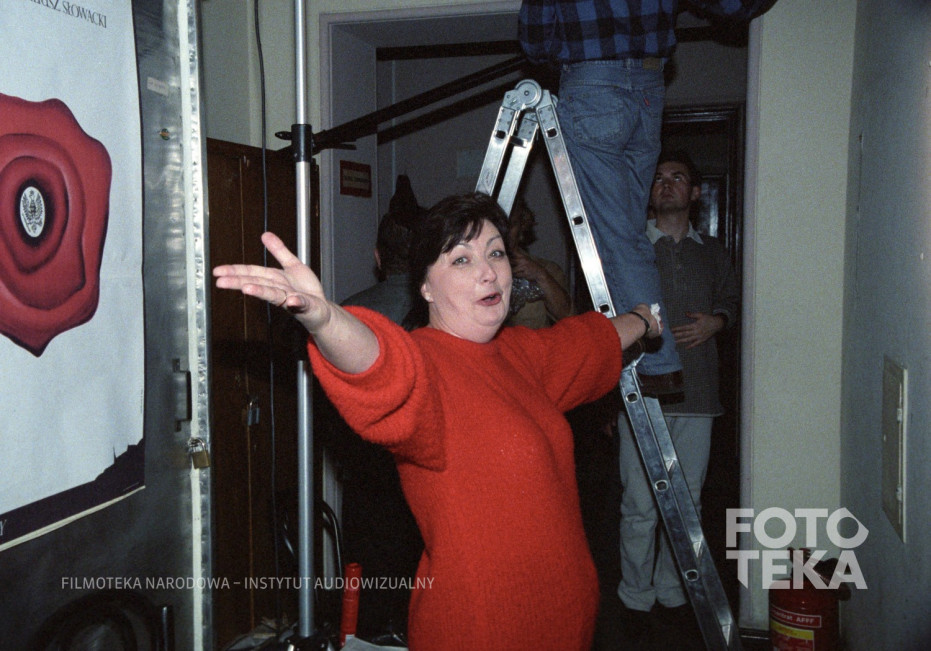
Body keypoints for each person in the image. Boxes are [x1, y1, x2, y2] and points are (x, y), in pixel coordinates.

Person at [213, 192, 662, 651]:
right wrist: (325, 319)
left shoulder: (519, 353)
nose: (488, 272)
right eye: (461, 259)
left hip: (568, 622)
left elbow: (587, 343)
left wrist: (643, 319)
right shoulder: (428, 365)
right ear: (425, 286)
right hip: (482, 631)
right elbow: (382, 368)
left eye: (496, 253)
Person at [518, 0, 775, 393]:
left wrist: (574, 56)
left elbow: (536, 42)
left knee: (618, 237)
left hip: (593, 84)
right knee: (629, 234)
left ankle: (658, 360)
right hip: (650, 87)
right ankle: (651, 350)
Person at [616, 150, 739, 635]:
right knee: (639, 504)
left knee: (687, 501)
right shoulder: (630, 249)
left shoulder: (713, 252)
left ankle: (673, 590)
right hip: (641, 394)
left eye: (678, 177)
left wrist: (717, 321)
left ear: (695, 192)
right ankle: (634, 595)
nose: (666, 184)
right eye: (659, 178)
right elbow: (608, 320)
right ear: (648, 192)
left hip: (699, 394)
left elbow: (732, 300)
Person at [328, 175, 424, 641]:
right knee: (419, 583)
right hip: (420, 470)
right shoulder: (440, 317)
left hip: (365, 471)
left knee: (363, 586)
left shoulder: (346, 315)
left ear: (378, 258)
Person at [505, 197, 572, 328]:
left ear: (522, 225)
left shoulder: (547, 269)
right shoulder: (476, 272)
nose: (503, 233)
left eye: (510, 225)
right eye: (498, 226)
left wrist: (541, 276)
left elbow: (571, 320)